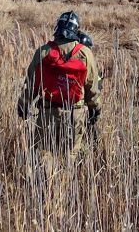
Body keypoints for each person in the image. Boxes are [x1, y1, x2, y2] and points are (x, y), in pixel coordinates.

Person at [16, 11, 102, 158]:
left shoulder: (43, 52)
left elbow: (31, 85)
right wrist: (95, 109)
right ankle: (66, 180)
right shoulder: (85, 53)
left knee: (43, 154)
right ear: (76, 30)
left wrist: (23, 106)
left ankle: (46, 179)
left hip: (48, 113)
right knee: (70, 156)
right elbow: (92, 87)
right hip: (75, 114)